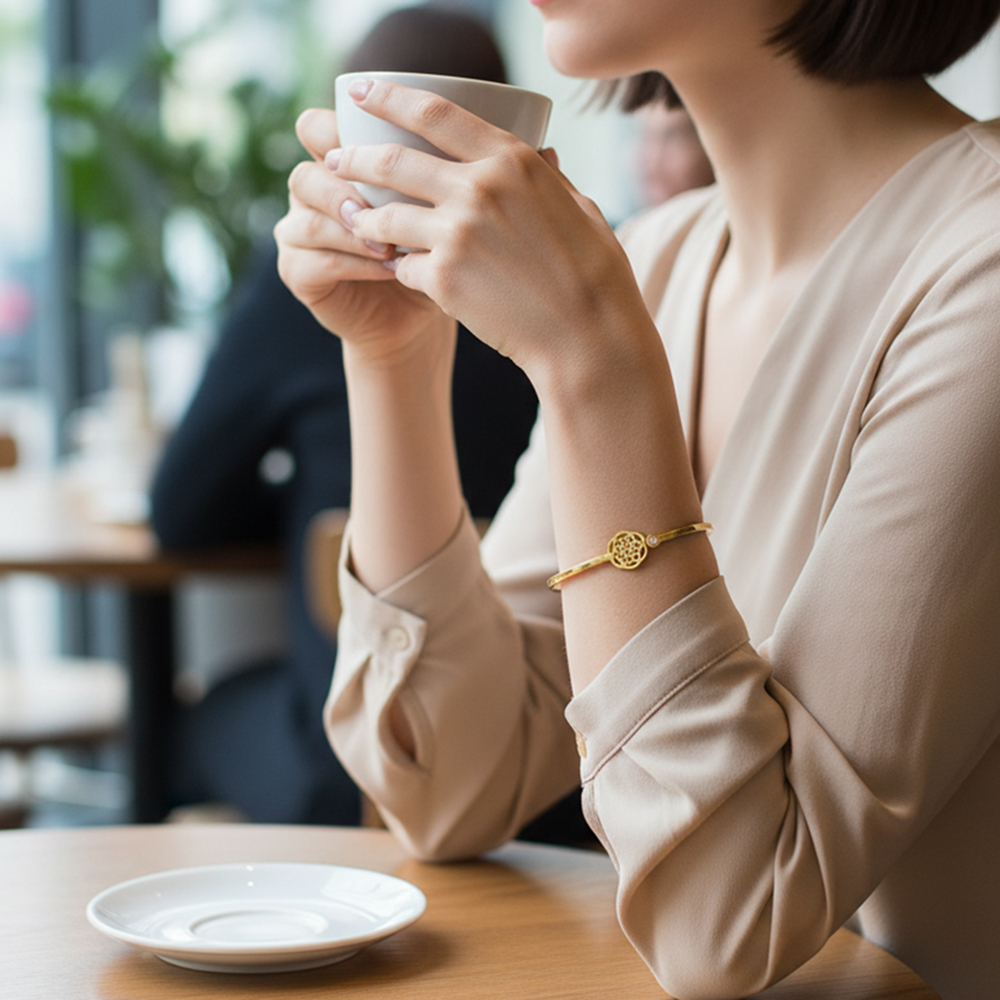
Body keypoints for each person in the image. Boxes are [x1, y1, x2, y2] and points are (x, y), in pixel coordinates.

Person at [274, 1, 1000, 997]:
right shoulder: (655, 262)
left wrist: (591, 368)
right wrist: (392, 350)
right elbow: (451, 782)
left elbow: (724, 924)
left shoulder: (979, 271)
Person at [149, 5, 539, 826]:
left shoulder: (313, 281)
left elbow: (181, 511)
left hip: (348, 753)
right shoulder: (570, 271)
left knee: (192, 717)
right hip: (561, 751)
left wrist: (313, 513)